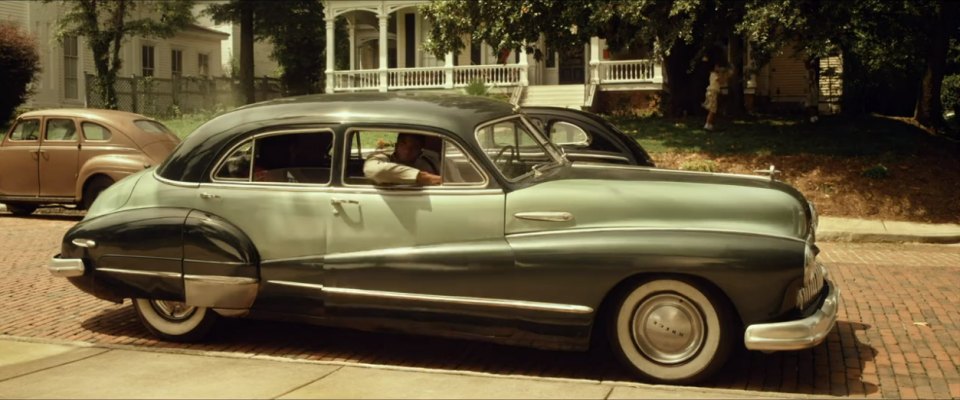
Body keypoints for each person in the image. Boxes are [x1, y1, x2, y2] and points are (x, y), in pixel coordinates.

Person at [363, 133, 443, 185]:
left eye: (414, 147)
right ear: (396, 146)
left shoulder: (429, 162)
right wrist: (423, 177)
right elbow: (376, 171)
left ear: (420, 151)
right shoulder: (381, 158)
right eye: (403, 144)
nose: (407, 150)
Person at [703, 61, 727, 131]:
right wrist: (723, 75)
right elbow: (720, 81)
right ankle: (707, 124)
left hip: (713, 92)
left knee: (713, 109)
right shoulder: (714, 74)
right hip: (712, 92)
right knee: (712, 110)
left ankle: (710, 124)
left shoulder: (714, 74)